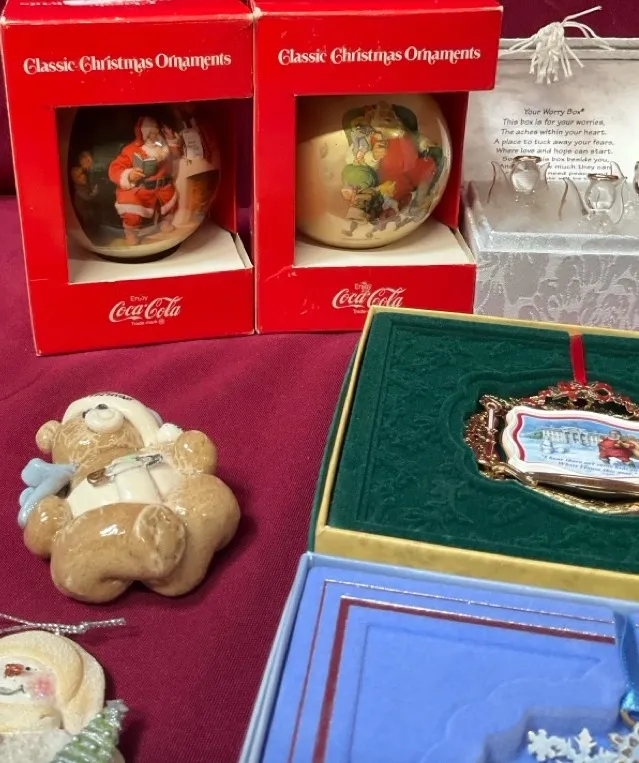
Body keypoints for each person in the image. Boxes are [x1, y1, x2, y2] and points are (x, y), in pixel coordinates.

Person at [108, 116, 182, 246]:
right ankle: (131, 233)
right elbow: (115, 169)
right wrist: (130, 175)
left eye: (156, 130)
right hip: (141, 188)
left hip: (163, 186)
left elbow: (175, 155)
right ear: (144, 134)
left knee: (170, 203)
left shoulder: (162, 145)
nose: (155, 134)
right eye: (151, 132)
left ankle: (166, 223)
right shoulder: (130, 149)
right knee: (132, 211)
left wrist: (171, 139)